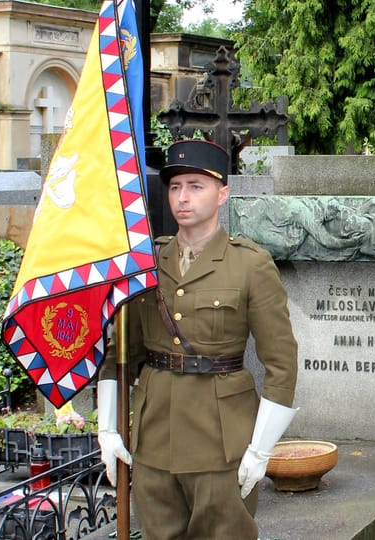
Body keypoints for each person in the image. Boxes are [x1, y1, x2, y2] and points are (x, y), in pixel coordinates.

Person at [96, 139, 299, 539]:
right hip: (154, 440)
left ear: (222, 193)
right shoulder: (146, 265)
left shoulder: (250, 265)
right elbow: (122, 354)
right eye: (174, 187)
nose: (182, 197)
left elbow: (281, 363)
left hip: (220, 443)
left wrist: (260, 449)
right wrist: (108, 429)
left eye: (195, 186)